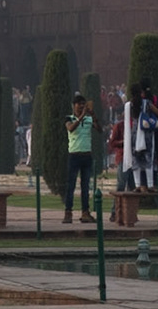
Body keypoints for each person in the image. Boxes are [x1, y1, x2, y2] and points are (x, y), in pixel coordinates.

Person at [63, 93, 95, 224]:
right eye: (79, 105)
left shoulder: (88, 119)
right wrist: (82, 117)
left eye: (83, 105)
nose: (81, 107)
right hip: (74, 155)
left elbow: (99, 129)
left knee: (85, 186)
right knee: (71, 185)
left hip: (86, 155)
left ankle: (85, 212)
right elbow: (70, 128)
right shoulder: (68, 118)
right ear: (73, 106)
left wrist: (93, 116)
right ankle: (68, 212)